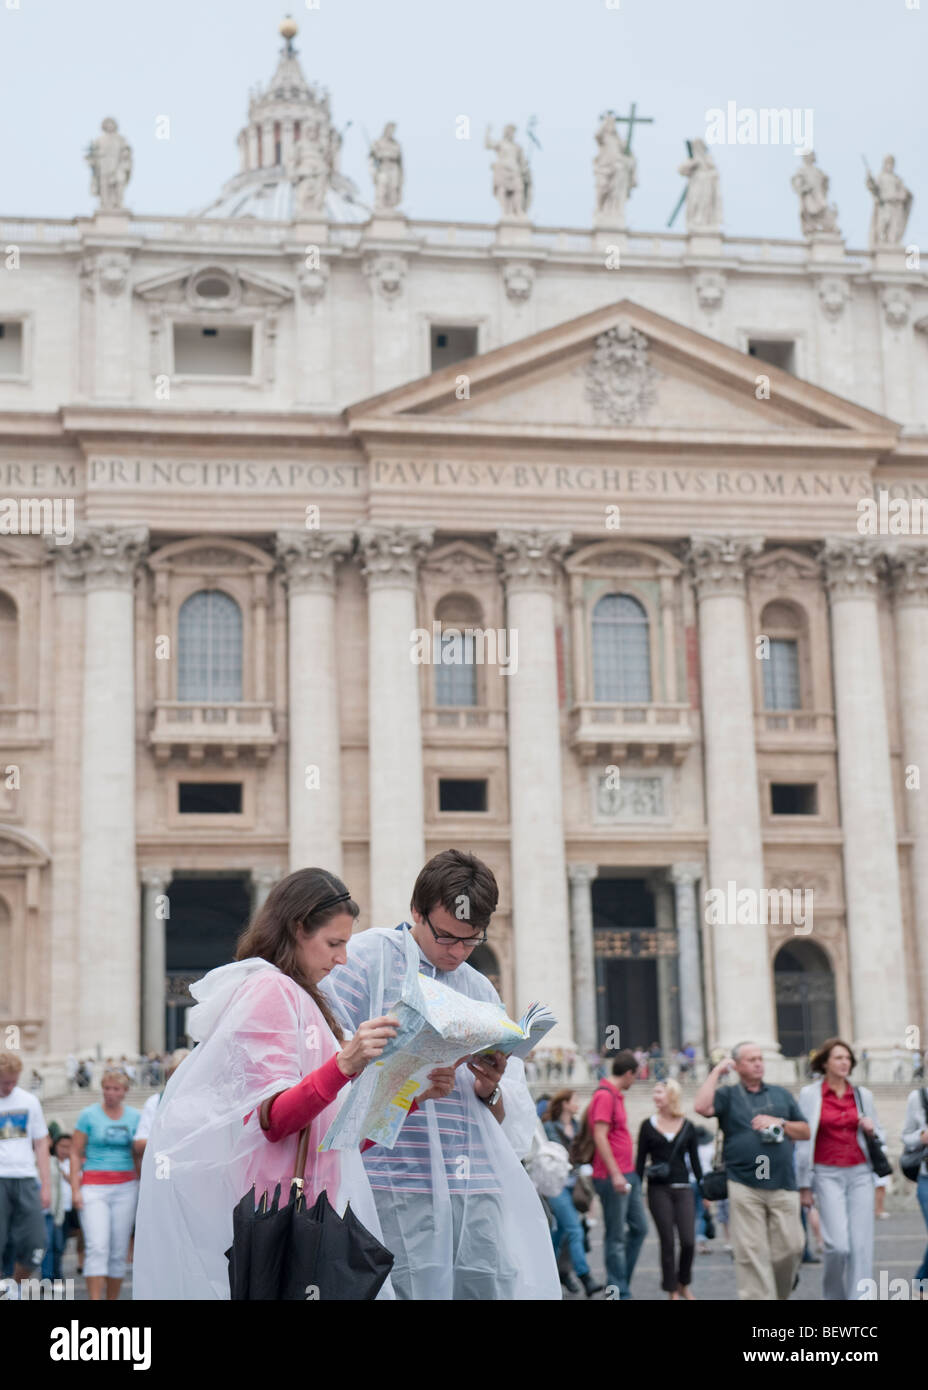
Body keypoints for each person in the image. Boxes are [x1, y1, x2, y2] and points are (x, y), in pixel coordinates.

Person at [133, 868, 457, 1300]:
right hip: (287, 1210)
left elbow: (335, 1140)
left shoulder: (299, 995)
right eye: (334, 944)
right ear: (298, 928)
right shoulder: (271, 990)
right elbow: (275, 1119)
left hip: (313, 1207)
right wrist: (345, 1063)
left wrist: (412, 1095)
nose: (343, 959)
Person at [321, 848, 560, 1300]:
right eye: (447, 937)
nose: (458, 952)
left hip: (473, 1180)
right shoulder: (366, 959)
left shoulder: (479, 985)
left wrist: (491, 1088)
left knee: (489, 1285)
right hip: (393, 1177)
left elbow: (505, 1110)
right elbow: (324, 1053)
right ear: (416, 911)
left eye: (472, 940)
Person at [694, 1041, 809, 1301]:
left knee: (791, 1247)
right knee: (751, 1252)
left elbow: (805, 1130)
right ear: (736, 1065)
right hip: (743, 1182)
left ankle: (779, 1295)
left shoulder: (781, 1094)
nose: (759, 1063)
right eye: (751, 1059)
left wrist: (779, 1122)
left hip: (782, 1183)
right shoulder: (728, 1095)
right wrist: (716, 1072)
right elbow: (701, 1107)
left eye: (760, 1058)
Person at [796, 1038, 883, 1300]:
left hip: (860, 1173)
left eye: (847, 1058)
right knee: (837, 1246)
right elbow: (802, 1138)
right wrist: (803, 1185)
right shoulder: (810, 1095)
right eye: (838, 1058)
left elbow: (878, 1134)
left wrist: (870, 1128)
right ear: (824, 1063)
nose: (844, 1062)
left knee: (861, 1246)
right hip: (826, 1173)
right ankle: (834, 1297)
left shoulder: (862, 1095)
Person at [70, 1069, 141, 1300]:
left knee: (118, 1251)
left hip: (126, 1186)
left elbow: (138, 1153)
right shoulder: (88, 1115)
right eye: (107, 1088)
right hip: (94, 1186)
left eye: (116, 1089)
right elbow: (74, 1151)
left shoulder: (135, 1117)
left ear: (124, 1092)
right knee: (97, 1246)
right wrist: (74, 1189)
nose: (110, 1093)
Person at [636, 1078, 702, 1300]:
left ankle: (684, 1282)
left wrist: (704, 1189)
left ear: (671, 1095)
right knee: (667, 1241)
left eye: (659, 1092)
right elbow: (640, 1161)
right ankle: (671, 1289)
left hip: (684, 1188)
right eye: (654, 1092)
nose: (655, 1096)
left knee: (688, 1241)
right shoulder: (647, 1125)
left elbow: (695, 1161)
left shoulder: (688, 1126)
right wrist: (637, 1188)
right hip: (658, 1189)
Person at [590, 1049, 647, 1300]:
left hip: (628, 1174)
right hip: (612, 1176)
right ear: (628, 1073)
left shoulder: (616, 1095)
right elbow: (600, 1136)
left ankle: (620, 1279)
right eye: (636, 1076)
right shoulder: (604, 1096)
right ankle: (618, 1290)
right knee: (615, 1236)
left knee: (640, 1228)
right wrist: (615, 1174)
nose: (636, 1080)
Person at [543, 1090, 602, 1297]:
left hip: (575, 1184)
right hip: (556, 1185)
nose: (578, 1103)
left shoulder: (577, 1126)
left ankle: (543, 1265)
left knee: (562, 1232)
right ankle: (585, 1276)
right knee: (575, 1229)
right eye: (575, 1100)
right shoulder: (549, 1127)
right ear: (565, 1103)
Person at [0, 1051, 50, 1294]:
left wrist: (47, 1185)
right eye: (4, 1082)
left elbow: (41, 1143)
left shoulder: (29, 1101)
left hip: (26, 1178)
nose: (9, 1087)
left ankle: (15, 1288)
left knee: (36, 1242)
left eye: (13, 1081)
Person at [902, 1081, 928, 1289]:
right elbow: (906, 1137)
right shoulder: (918, 1098)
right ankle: (922, 1283)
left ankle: (921, 1281)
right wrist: (921, 1137)